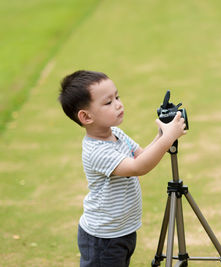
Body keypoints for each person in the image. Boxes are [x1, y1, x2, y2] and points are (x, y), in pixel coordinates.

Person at [58, 70, 186, 267]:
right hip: (103, 238)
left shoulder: (116, 133)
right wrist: (168, 138)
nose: (118, 104)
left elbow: (142, 155)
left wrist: (163, 134)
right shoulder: (96, 150)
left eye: (117, 97)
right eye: (108, 102)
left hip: (122, 230)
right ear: (86, 116)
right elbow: (138, 167)